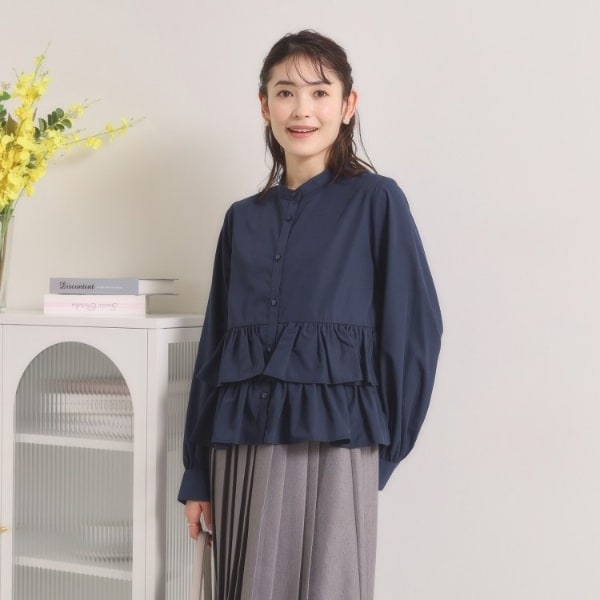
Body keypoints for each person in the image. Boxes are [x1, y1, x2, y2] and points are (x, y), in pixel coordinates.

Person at [178, 29, 442, 600]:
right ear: (264, 106)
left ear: (348, 105)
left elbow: (414, 334)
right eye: (285, 92)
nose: (302, 110)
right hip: (238, 454)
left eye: (320, 92)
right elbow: (214, 349)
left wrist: (382, 451)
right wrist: (197, 471)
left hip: (334, 451)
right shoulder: (241, 220)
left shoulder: (377, 202)